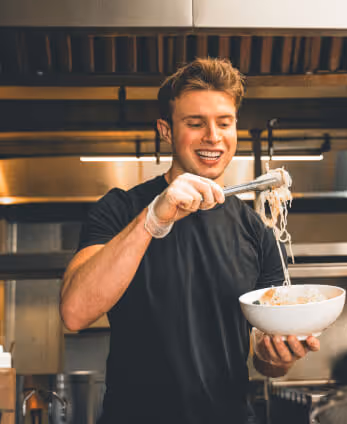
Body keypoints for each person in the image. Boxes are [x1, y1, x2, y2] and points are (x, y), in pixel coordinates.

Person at [60, 58, 320, 424]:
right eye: (195, 124)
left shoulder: (257, 230)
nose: (213, 136)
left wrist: (277, 356)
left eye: (224, 123)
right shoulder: (120, 209)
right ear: (166, 130)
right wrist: (152, 220)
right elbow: (74, 312)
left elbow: (265, 359)